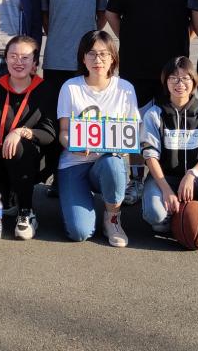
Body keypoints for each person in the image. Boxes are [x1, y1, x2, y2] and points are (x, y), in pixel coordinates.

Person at [106, 0, 194, 203]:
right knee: (134, 125)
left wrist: (178, 43)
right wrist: (129, 38)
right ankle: (135, 179)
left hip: (173, 71)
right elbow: (112, 14)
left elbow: (194, 21)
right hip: (136, 67)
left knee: (171, 125)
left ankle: (167, 178)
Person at [0, 35, 56, 239]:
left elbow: (49, 133)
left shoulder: (45, 90)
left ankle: (26, 211)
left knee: (20, 146)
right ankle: (9, 194)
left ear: (35, 62)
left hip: (29, 160)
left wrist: (21, 132)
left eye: (25, 57)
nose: (18, 62)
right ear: (5, 59)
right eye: (13, 56)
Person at [56, 30, 139, 247]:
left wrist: (121, 149)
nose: (97, 60)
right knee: (79, 232)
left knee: (113, 162)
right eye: (91, 54)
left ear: (113, 58)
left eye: (103, 54)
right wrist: (73, 145)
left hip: (107, 164)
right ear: (83, 58)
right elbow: (63, 132)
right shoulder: (70, 87)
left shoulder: (125, 89)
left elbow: (132, 134)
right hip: (75, 162)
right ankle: (81, 200)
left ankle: (112, 218)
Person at [140, 56, 198, 246]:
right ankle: (176, 220)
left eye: (185, 78)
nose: (180, 83)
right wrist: (166, 189)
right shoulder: (154, 114)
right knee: (155, 215)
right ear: (165, 82)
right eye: (173, 78)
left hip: (195, 179)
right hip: (164, 178)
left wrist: (192, 174)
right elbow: (150, 156)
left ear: (194, 81)